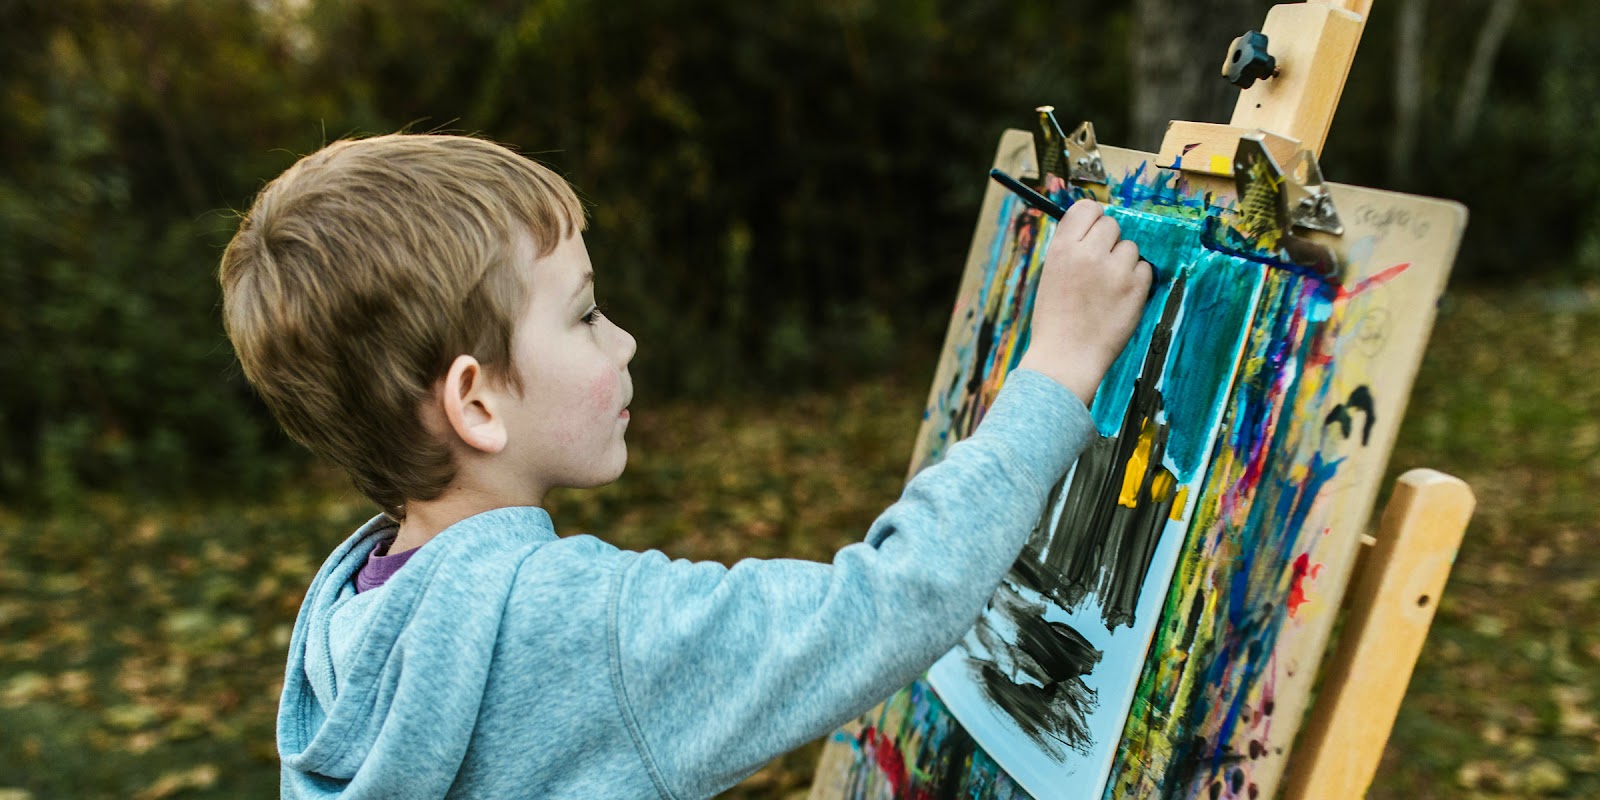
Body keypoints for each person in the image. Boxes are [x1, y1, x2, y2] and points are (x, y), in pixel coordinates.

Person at [219, 132, 1150, 798]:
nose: (622, 342)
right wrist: (1058, 367)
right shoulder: (579, 626)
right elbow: (886, 607)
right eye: (584, 315)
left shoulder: (349, 628)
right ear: (475, 403)